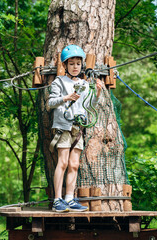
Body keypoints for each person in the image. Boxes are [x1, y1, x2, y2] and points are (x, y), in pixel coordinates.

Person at [48, 45, 103, 212]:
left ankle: (70, 199)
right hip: (63, 127)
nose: (75, 67)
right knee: (63, 162)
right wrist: (67, 97)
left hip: (78, 128)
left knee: (74, 165)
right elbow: (50, 103)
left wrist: (98, 94)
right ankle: (57, 200)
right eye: (71, 63)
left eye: (78, 64)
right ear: (65, 65)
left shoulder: (84, 84)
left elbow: (89, 105)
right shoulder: (59, 82)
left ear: (82, 65)